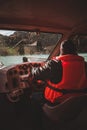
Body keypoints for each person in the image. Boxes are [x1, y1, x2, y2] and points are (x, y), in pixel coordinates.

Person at [29, 39, 87, 104]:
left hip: (56, 103)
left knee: (31, 96)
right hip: (80, 103)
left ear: (61, 50)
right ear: (75, 51)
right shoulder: (85, 65)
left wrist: (31, 69)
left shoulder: (54, 64)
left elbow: (37, 74)